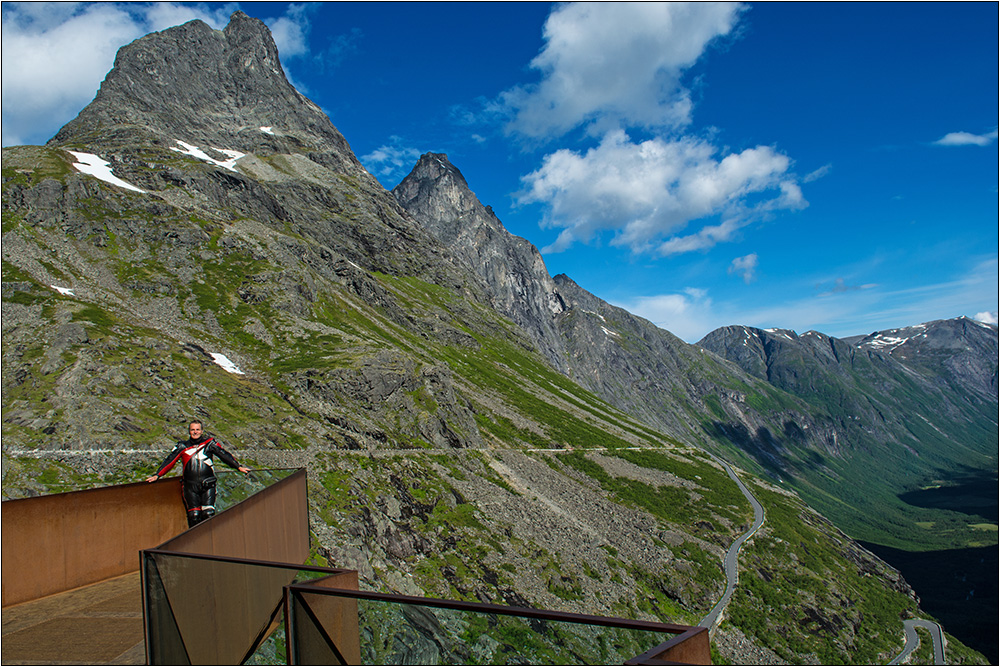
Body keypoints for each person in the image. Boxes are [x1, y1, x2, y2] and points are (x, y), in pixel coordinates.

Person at [146, 420, 251, 527]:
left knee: (208, 514)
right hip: (190, 486)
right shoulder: (182, 446)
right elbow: (170, 461)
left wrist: (238, 467)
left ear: (201, 431)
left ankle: (211, 538)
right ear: (189, 431)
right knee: (194, 516)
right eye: (192, 430)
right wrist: (157, 475)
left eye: (197, 429)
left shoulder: (210, 443)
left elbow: (224, 455)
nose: (195, 432)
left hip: (208, 484)